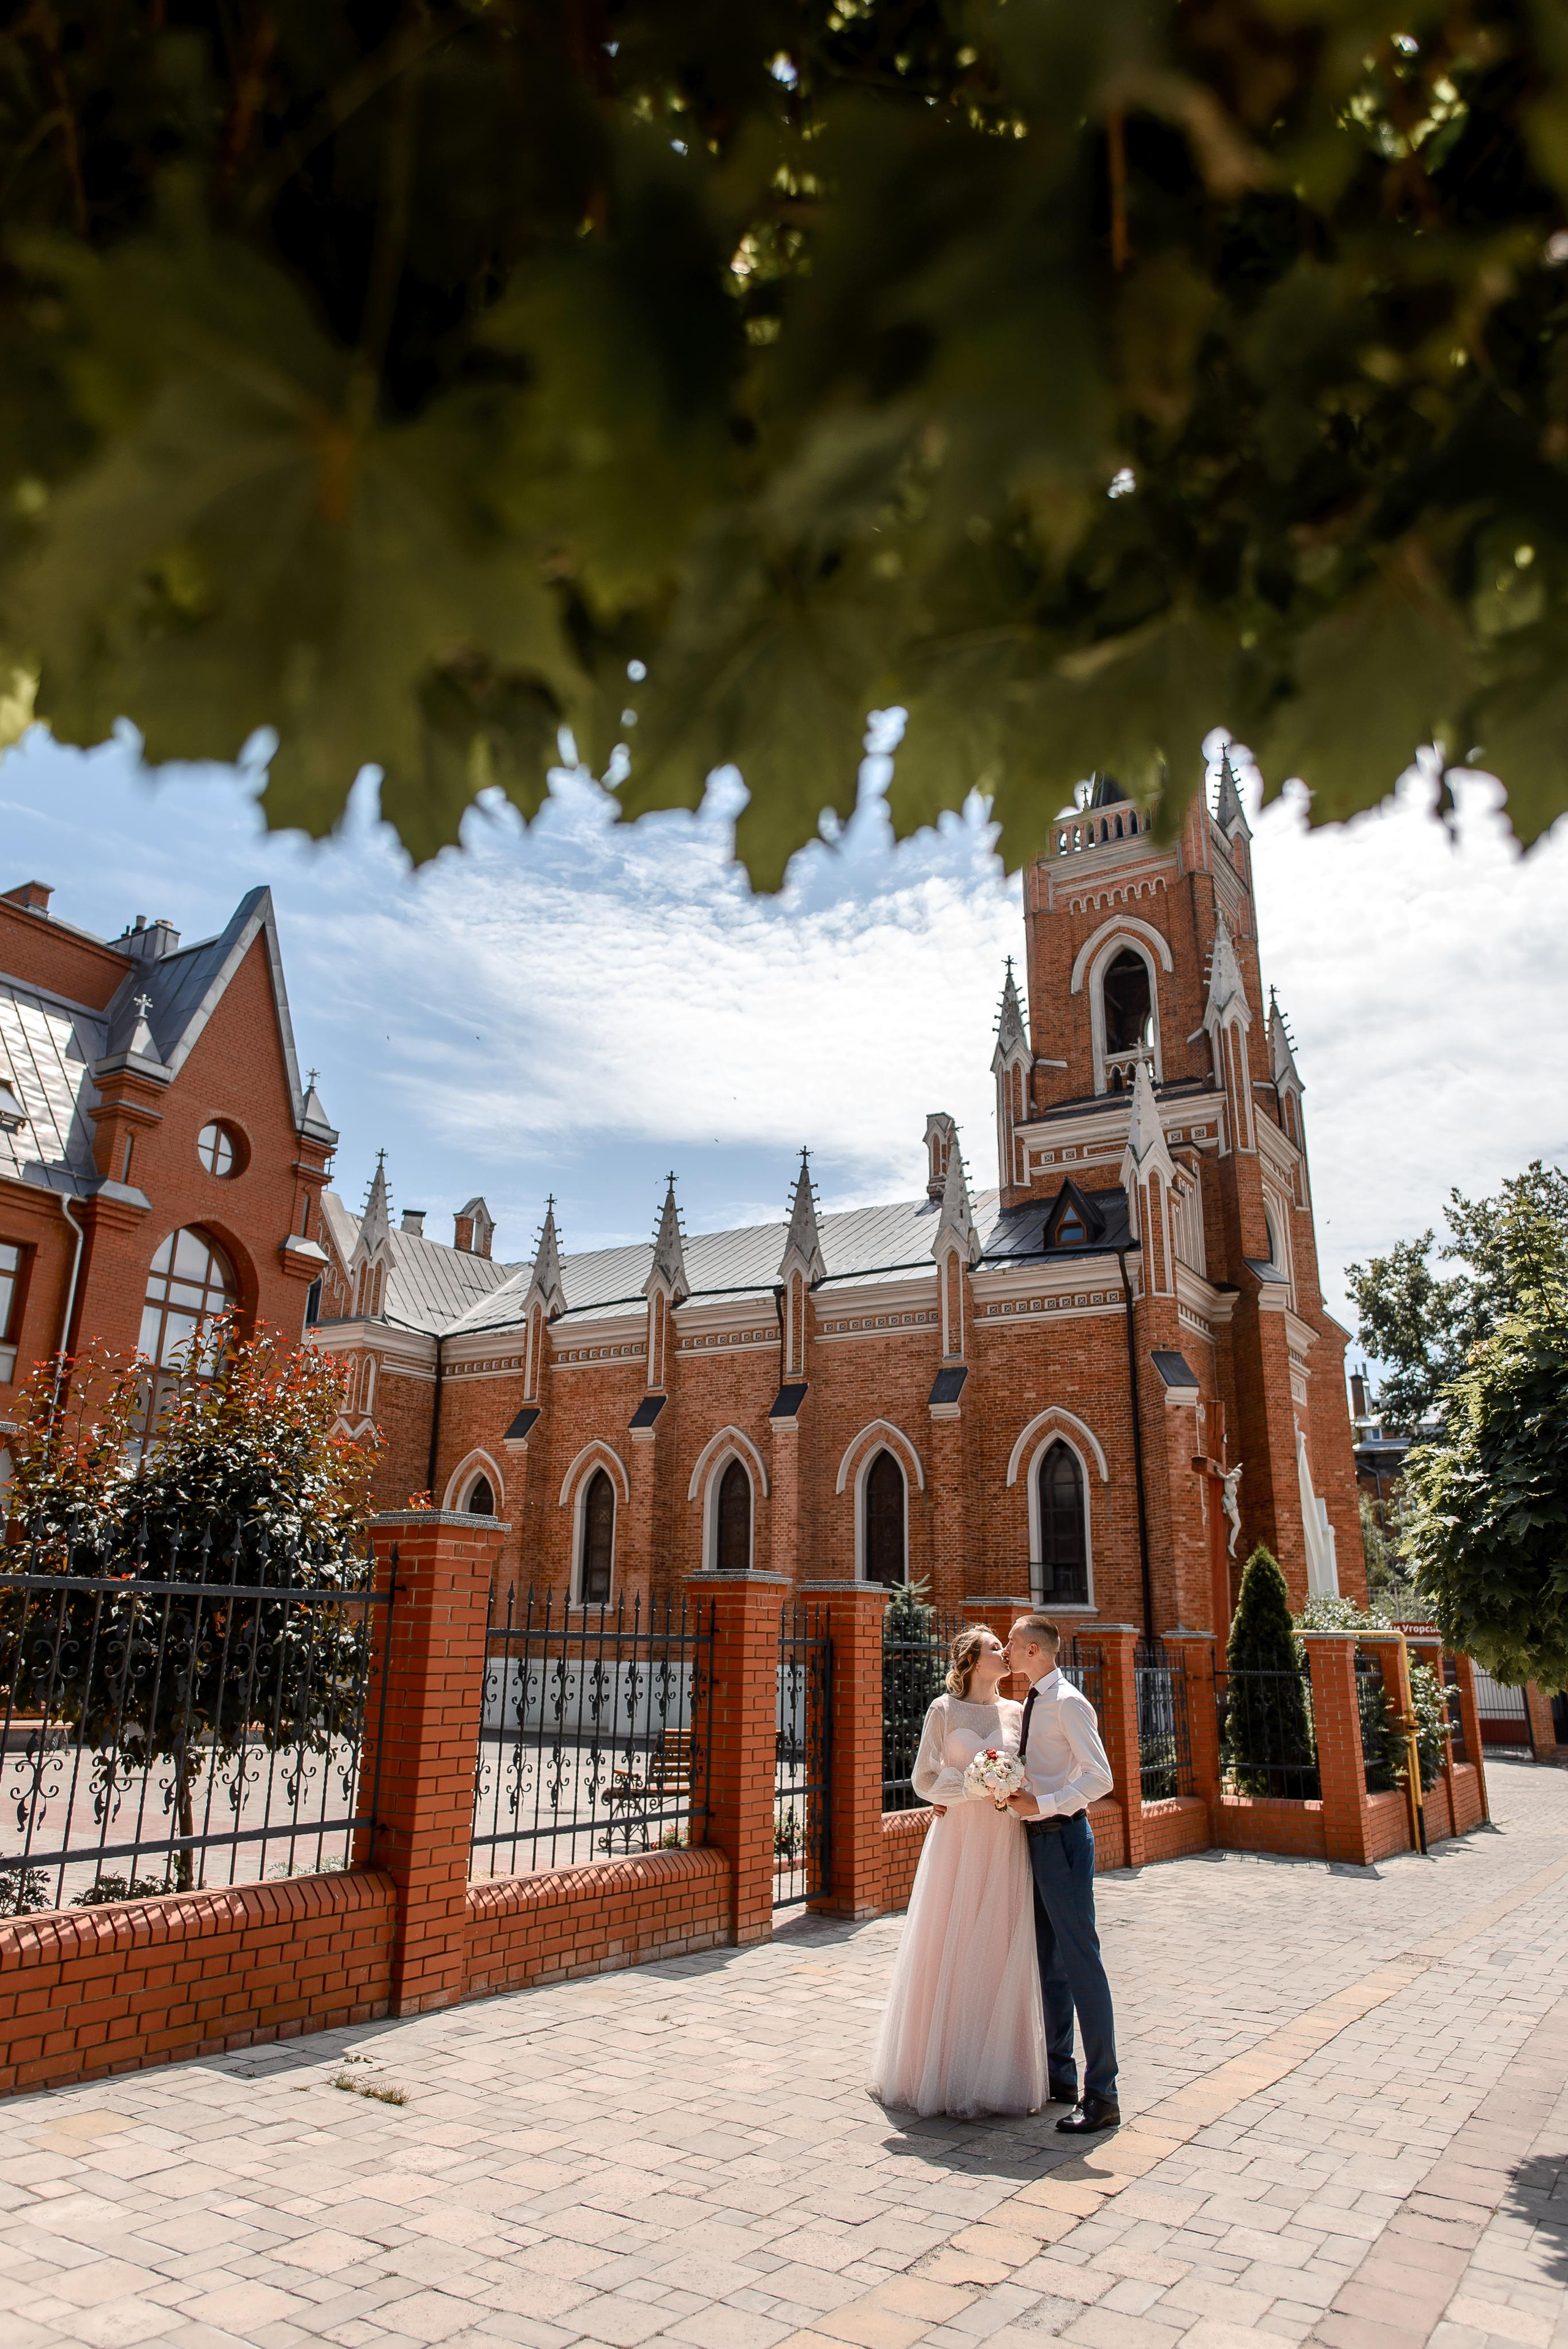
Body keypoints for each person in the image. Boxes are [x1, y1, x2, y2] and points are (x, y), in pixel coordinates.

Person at [870, 1626, 1047, 2117]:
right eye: (995, 1648)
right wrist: (969, 1788)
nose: (1005, 1653)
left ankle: (996, 2074)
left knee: (997, 1947)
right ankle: (942, 2070)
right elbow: (923, 1778)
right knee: (947, 1942)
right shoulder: (943, 1710)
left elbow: (1033, 1772)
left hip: (1004, 1840)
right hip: (957, 1840)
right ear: (971, 1659)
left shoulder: (1019, 1712)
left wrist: (1009, 1786)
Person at [1005, 1613, 1120, 2133]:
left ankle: (1103, 2093)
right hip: (1036, 1841)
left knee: (1081, 1963)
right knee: (1050, 1962)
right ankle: (1060, 2076)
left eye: (1011, 1642)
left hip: (1066, 1839)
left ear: (1033, 1650)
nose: (1005, 1650)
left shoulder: (1069, 1702)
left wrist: (1044, 1802)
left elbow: (1100, 1777)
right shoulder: (1033, 1699)